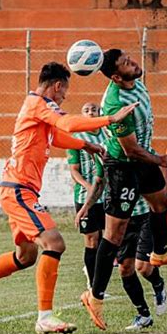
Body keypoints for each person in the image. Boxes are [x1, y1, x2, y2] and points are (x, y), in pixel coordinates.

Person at [0, 62, 137, 334]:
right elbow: (68, 122)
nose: (64, 98)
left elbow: (57, 135)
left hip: (18, 188)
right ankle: (44, 317)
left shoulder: (37, 109)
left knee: (26, 256)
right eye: (64, 92)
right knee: (55, 243)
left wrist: (87, 144)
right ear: (58, 86)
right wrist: (110, 119)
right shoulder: (38, 102)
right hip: (18, 189)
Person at [81, 49, 167, 331]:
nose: (134, 63)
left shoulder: (137, 82)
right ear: (117, 76)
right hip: (124, 166)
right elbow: (129, 148)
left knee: (160, 202)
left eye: (131, 58)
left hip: (143, 158)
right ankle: (95, 296)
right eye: (127, 64)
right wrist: (161, 160)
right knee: (113, 236)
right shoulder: (114, 102)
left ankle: (161, 253)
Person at [76, 155, 167, 331]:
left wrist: (159, 202)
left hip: (145, 216)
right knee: (125, 268)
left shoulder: (140, 149)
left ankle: (158, 283)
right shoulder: (105, 153)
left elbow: (164, 171)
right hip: (123, 220)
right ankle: (144, 315)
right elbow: (100, 181)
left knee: (143, 267)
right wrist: (86, 206)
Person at [67, 102, 106, 289]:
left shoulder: (107, 135)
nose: (91, 113)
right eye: (87, 110)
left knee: (109, 239)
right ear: (82, 116)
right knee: (92, 240)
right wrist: (87, 185)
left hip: (107, 195)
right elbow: (73, 170)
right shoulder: (76, 139)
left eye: (95, 110)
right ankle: (93, 285)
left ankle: (98, 277)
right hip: (85, 196)